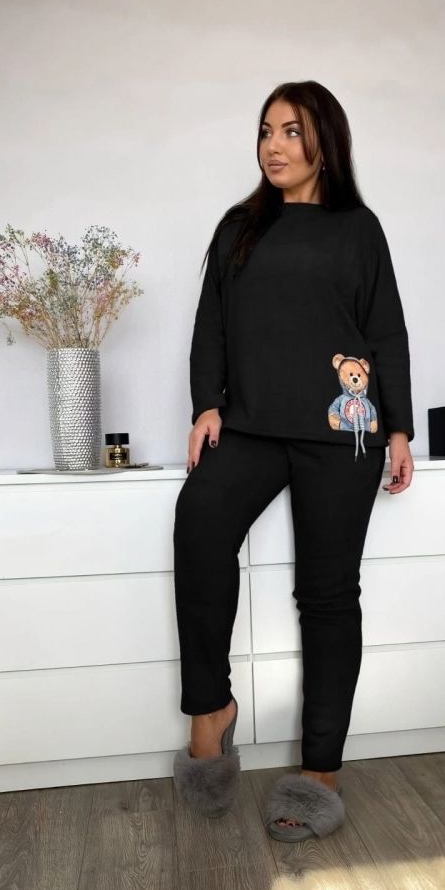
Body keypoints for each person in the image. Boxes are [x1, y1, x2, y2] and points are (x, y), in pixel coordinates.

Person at [172, 80, 414, 840]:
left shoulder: (358, 229)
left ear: (324, 144)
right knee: (200, 523)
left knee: (328, 594)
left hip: (344, 432)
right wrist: (206, 404)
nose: (273, 146)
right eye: (265, 131)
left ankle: (320, 773)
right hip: (251, 426)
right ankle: (211, 710)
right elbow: (211, 323)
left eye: (290, 131)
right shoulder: (240, 226)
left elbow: (386, 331)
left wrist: (399, 429)